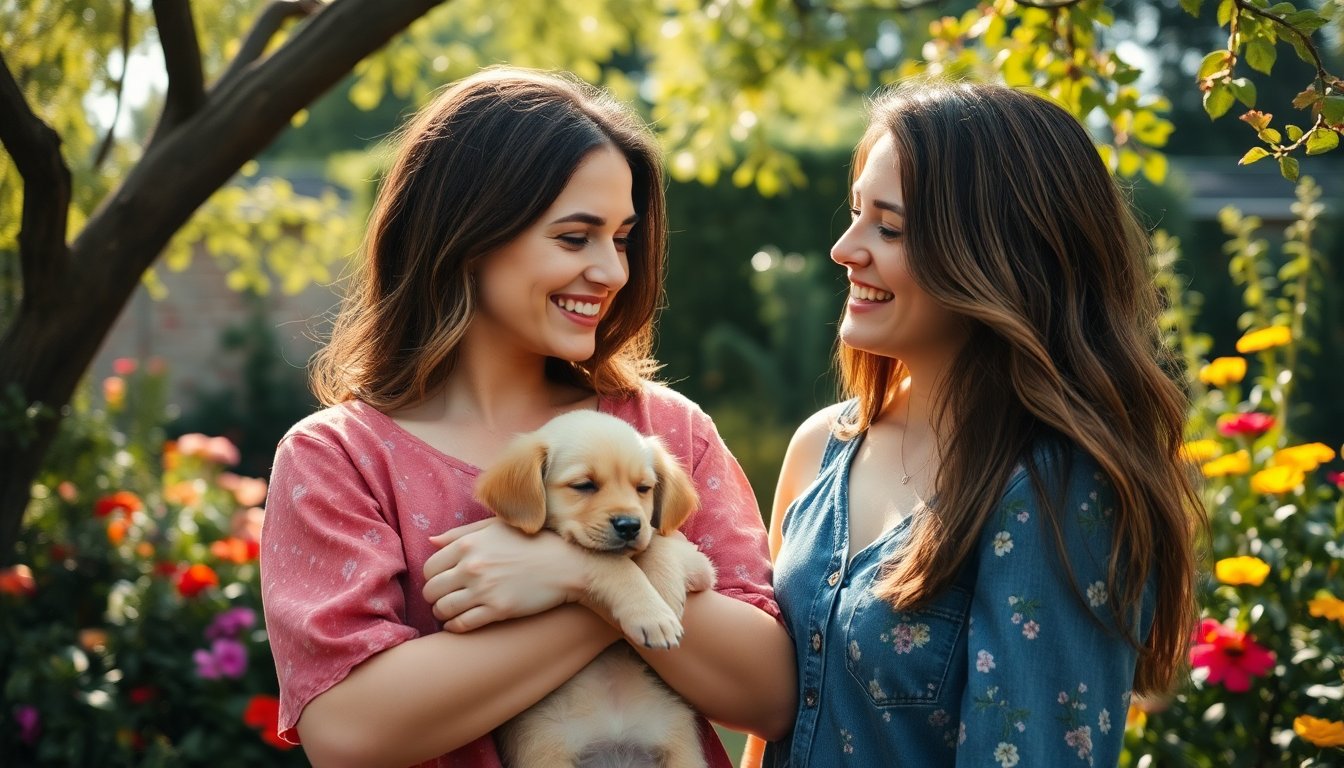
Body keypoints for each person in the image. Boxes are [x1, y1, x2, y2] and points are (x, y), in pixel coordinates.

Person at [259, 67, 796, 768]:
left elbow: (770, 693)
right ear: (469, 236)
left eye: (622, 239)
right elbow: (350, 733)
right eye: (576, 238)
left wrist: (566, 566)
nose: (612, 272)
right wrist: (601, 587)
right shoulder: (340, 457)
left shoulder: (664, 433)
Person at [746, 80, 1205, 767]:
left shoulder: (1057, 490)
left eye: (890, 228)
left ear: (997, 256)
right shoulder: (822, 447)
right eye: (854, 214)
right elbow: (772, 726)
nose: (845, 248)